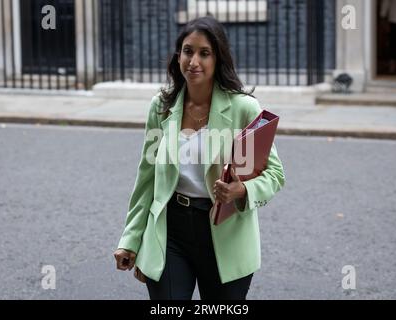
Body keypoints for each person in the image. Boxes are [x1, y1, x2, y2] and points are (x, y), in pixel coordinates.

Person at [113, 16, 285, 300]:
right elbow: (146, 179)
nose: (193, 61)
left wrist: (241, 190)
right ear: (178, 55)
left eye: (204, 53)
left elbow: (274, 175)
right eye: (188, 51)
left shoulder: (243, 107)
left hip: (224, 231)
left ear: (218, 59)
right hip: (170, 231)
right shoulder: (161, 107)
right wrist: (130, 240)